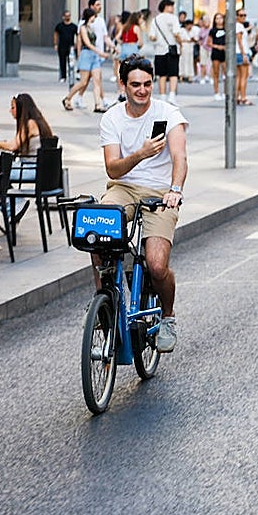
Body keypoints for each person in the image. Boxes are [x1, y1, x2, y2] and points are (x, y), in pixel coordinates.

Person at [98, 55, 187, 352]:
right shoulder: (111, 118)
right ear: (123, 84)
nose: (143, 91)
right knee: (96, 228)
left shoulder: (169, 113)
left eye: (148, 84)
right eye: (135, 84)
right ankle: (104, 303)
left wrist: (175, 189)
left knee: (157, 266)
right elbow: (113, 169)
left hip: (161, 191)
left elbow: (179, 158)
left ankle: (168, 316)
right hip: (123, 187)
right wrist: (141, 153)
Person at [62, 8, 107, 112]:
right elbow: (87, 43)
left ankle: (97, 105)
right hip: (86, 54)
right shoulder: (82, 28)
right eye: (92, 17)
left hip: (94, 56)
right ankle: (68, 98)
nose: (94, 19)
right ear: (89, 16)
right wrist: (100, 53)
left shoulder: (91, 28)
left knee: (97, 81)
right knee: (83, 82)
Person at [148, 0, 181, 101]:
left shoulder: (155, 20)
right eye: (171, 6)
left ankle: (162, 96)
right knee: (173, 73)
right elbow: (176, 33)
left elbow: (152, 36)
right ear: (166, 7)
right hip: (172, 49)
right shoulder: (174, 18)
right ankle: (172, 96)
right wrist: (180, 42)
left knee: (161, 74)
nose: (172, 8)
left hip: (159, 50)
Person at [207, 12, 230, 100]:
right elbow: (208, 42)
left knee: (226, 73)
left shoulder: (226, 29)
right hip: (216, 52)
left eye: (220, 18)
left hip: (224, 52)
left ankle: (225, 92)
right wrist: (216, 46)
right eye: (217, 18)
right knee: (216, 73)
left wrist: (225, 46)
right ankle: (216, 92)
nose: (219, 20)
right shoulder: (212, 30)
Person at [53, 10, 77, 82]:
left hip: (71, 47)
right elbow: (55, 35)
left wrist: (77, 44)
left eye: (69, 16)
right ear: (63, 17)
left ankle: (71, 75)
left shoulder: (73, 26)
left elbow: (78, 35)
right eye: (66, 16)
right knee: (62, 62)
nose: (67, 17)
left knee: (71, 62)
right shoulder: (59, 26)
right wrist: (55, 44)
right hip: (62, 46)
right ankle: (63, 76)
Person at [235, 8, 253, 105]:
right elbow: (240, 41)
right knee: (243, 77)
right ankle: (243, 97)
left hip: (237, 53)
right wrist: (244, 54)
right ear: (237, 16)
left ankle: (237, 97)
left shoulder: (238, 26)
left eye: (244, 15)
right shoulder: (239, 26)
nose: (243, 17)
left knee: (238, 77)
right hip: (241, 53)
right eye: (241, 15)